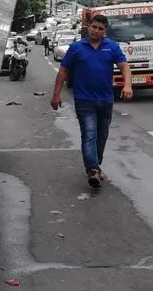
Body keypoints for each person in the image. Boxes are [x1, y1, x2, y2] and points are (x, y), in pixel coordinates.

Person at [50, 14, 133, 188]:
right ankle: (93, 170)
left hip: (106, 101)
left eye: (100, 28)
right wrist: (56, 95)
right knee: (89, 134)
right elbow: (63, 72)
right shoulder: (76, 48)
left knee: (101, 136)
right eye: (94, 27)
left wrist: (127, 85)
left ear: (105, 31)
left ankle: (95, 165)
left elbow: (124, 66)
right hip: (84, 101)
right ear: (88, 27)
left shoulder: (111, 47)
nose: (96, 31)